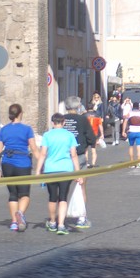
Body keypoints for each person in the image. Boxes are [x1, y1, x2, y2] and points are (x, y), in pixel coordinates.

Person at [0, 104, 40, 232]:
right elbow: (34, 148)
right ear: (20, 113)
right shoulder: (27, 129)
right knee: (24, 194)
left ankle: (14, 222)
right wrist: (42, 164)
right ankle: (20, 213)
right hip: (23, 163)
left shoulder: (4, 130)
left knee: (13, 194)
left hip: (7, 164)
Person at [35, 113, 83, 235]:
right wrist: (78, 173)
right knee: (63, 198)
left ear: (52, 123)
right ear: (64, 122)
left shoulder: (47, 135)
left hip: (50, 170)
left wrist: (38, 170)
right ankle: (61, 225)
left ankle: (52, 222)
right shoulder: (69, 135)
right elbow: (74, 155)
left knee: (52, 197)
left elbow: (43, 154)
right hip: (66, 170)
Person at [63, 96, 96, 229]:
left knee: (63, 188)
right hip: (79, 155)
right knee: (81, 186)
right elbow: (90, 137)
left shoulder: (61, 119)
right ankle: (81, 218)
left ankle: (59, 218)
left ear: (66, 107)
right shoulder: (83, 119)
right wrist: (91, 146)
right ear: (78, 107)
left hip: (63, 157)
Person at [122, 101, 140, 168]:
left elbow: (125, 122)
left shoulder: (129, 114)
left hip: (131, 131)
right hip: (139, 131)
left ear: (133, 107)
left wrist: (123, 131)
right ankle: (138, 163)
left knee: (131, 146)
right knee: (139, 147)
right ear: (138, 107)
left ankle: (132, 163)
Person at [84, 103, 104, 168]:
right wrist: (102, 134)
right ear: (93, 107)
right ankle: (93, 163)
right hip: (94, 134)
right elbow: (100, 125)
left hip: (86, 134)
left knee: (86, 150)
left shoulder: (84, 115)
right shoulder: (97, 115)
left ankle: (86, 163)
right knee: (93, 149)